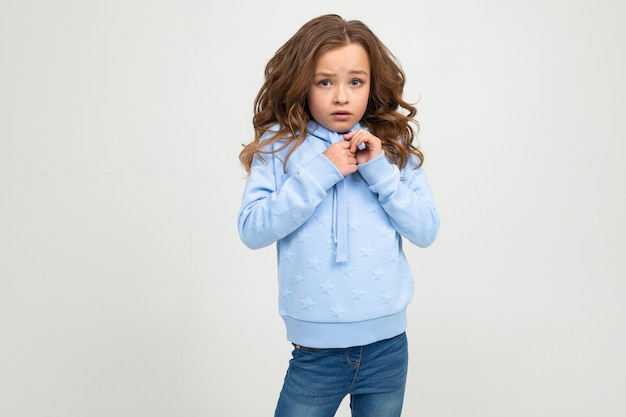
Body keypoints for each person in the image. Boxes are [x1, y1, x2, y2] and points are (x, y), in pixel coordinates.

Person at [237, 14, 440, 417]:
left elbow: (426, 229)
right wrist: (321, 171)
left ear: (372, 84)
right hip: (315, 351)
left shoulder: (392, 148)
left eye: (356, 82)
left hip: (388, 346)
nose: (342, 96)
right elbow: (252, 229)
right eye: (325, 81)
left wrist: (380, 170)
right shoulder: (281, 146)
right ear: (302, 83)